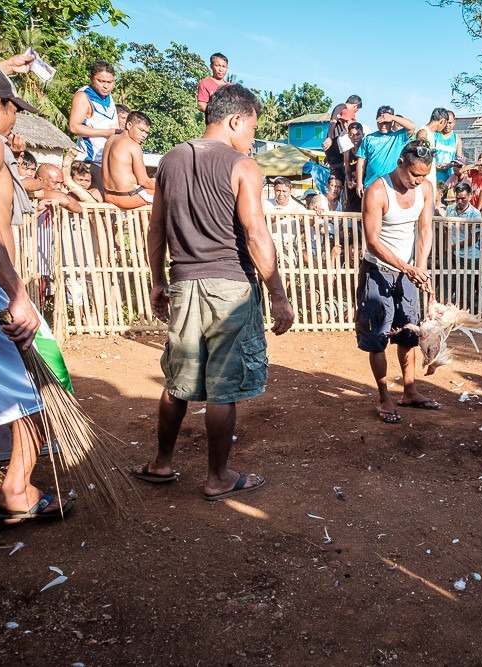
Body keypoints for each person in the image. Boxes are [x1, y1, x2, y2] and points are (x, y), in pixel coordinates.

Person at [140, 84, 294, 500]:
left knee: (178, 380)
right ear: (235, 119)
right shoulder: (243, 166)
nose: (253, 138)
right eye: (253, 128)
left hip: (184, 283)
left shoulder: (170, 159)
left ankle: (161, 462)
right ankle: (218, 477)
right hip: (230, 286)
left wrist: (158, 280)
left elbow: (155, 229)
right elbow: (255, 232)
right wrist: (277, 294)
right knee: (224, 388)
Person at [0, 61, 77, 547]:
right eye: (11, 107)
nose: (13, 120)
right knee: (41, 385)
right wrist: (16, 293)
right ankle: (18, 491)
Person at [356, 139, 437, 424]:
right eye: (413, 174)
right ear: (400, 163)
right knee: (377, 338)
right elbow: (373, 241)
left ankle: (410, 391)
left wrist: (420, 267)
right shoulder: (377, 190)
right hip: (377, 272)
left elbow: (426, 229)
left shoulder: (425, 188)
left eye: (423, 176)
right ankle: (384, 397)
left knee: (409, 334)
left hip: (408, 272)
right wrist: (406, 266)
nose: (417, 181)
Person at [68, 61, 118, 189]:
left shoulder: (109, 98)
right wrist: (106, 133)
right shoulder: (83, 96)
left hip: (106, 162)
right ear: (90, 78)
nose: (105, 86)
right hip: (89, 162)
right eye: (101, 81)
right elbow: (74, 127)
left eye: (109, 82)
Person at [354, 106, 415, 197]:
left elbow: (412, 126)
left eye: (386, 122)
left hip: (392, 186)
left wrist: (392, 117)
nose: (383, 125)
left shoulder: (399, 137)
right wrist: (359, 183)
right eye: (380, 122)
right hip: (371, 184)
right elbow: (361, 161)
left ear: (392, 122)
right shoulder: (369, 139)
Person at [100, 110, 154, 209]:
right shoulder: (134, 146)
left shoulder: (111, 139)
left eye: (146, 133)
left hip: (108, 195)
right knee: (169, 195)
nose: (144, 136)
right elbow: (143, 181)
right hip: (127, 197)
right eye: (141, 130)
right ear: (129, 125)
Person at [323, 94, 362, 178]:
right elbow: (333, 121)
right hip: (336, 156)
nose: (344, 124)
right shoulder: (341, 106)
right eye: (356, 110)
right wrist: (329, 137)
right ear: (355, 106)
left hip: (339, 156)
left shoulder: (351, 132)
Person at [416, 107, 450, 201]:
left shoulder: (431, 134)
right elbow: (420, 158)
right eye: (445, 123)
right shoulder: (423, 132)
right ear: (442, 121)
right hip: (423, 181)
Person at [434, 109, 463, 186]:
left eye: (450, 123)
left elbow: (459, 160)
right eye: (445, 122)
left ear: (454, 122)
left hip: (449, 180)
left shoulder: (457, 139)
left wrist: (449, 165)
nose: (447, 125)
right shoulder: (435, 135)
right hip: (433, 177)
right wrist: (434, 164)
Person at [342, 121, 364, 213]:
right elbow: (347, 172)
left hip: (364, 188)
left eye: (357, 134)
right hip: (352, 191)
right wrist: (348, 181)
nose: (355, 137)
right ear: (348, 136)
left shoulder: (367, 151)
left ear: (363, 134)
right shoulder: (347, 153)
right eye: (352, 135)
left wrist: (360, 182)